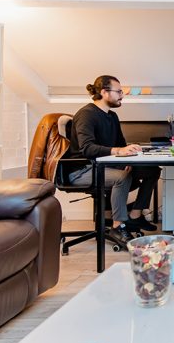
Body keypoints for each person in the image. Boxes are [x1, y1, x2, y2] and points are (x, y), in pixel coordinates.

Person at [65, 75, 160, 233]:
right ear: (104, 92)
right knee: (122, 178)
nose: (122, 95)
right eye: (119, 92)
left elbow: (120, 144)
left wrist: (128, 158)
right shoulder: (86, 114)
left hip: (105, 165)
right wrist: (118, 151)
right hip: (82, 169)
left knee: (152, 170)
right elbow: (87, 148)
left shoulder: (112, 116)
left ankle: (135, 216)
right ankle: (118, 225)